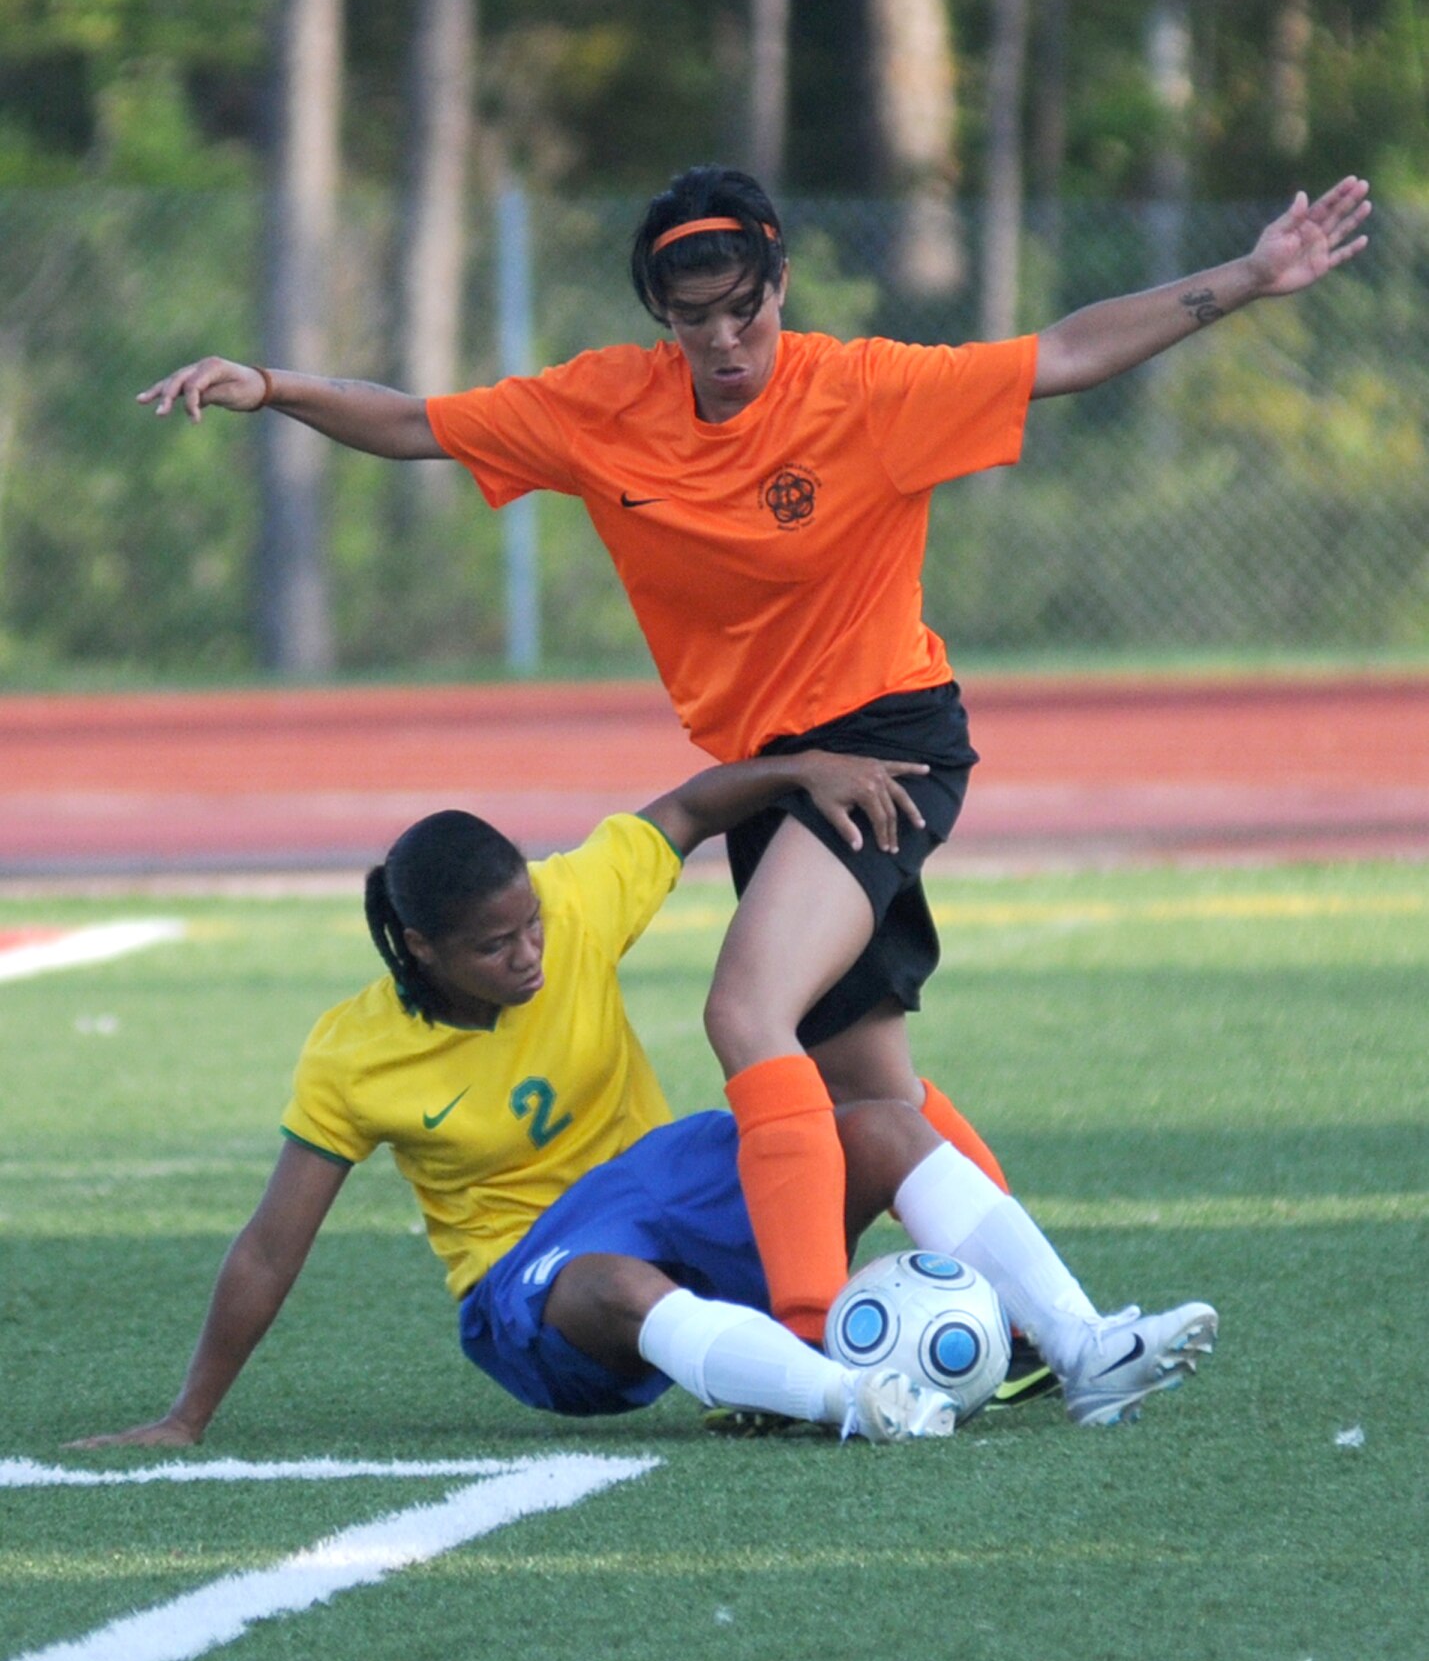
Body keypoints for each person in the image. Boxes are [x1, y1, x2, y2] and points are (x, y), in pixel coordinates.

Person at [138, 165, 1363, 1345]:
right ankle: (1063, 1334)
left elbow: (1066, 353)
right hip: (770, 775)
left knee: (744, 1010)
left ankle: (811, 1338)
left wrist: (1248, 278)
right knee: (867, 1087)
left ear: (779, 285)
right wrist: (269, 382)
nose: (725, 342)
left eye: (744, 310)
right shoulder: (603, 407)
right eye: (693, 321)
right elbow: (415, 422)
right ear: (659, 320)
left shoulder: (864, 390)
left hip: (885, 741)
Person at [67, 756, 1216, 1451]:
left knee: (868, 1118)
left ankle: (1083, 1343)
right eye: (492, 944)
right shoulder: (351, 1054)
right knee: (618, 1281)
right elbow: (272, 1245)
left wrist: (799, 772)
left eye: (530, 926)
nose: (529, 952)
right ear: (420, 947)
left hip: (669, 1186)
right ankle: (850, 1398)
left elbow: (685, 806)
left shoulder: (570, 902)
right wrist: (186, 1413)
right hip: (535, 1283)